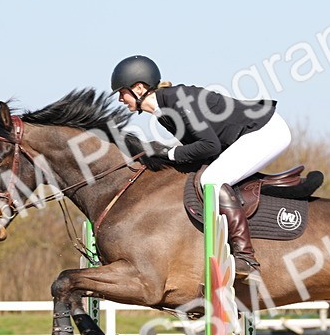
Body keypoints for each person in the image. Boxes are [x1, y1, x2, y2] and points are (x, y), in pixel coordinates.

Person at [110, 54, 293, 283]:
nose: (120, 99)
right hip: (247, 135)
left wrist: (167, 153)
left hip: (265, 131)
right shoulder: (163, 113)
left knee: (212, 180)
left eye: (121, 92)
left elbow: (208, 145)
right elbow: (197, 151)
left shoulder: (177, 101)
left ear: (138, 88)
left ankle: (246, 258)